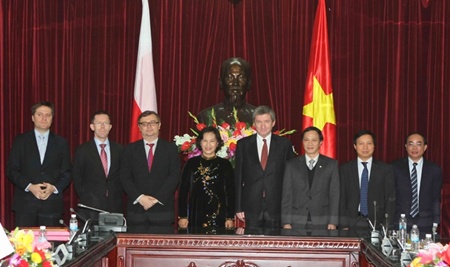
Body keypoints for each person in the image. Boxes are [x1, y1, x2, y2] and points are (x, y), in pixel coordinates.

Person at [6, 101, 72, 227]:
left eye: (48, 115)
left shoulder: (61, 143)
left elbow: (67, 172)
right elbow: (11, 169)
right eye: (40, 114)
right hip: (25, 205)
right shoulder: (20, 141)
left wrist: (53, 188)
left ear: (52, 119)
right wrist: (30, 186)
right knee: (24, 246)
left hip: (51, 205)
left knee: (51, 245)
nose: (44, 118)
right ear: (33, 117)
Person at [234, 105, 295, 232]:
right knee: (251, 247)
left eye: (266, 121)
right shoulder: (243, 145)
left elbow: (290, 178)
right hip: (250, 205)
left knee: (275, 247)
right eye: (259, 122)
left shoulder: (284, 144)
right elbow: (238, 177)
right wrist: (238, 207)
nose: (263, 126)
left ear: (273, 123)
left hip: (276, 205)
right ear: (254, 124)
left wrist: (289, 208)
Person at [120, 110, 180, 233]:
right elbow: (124, 177)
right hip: (136, 213)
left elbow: (174, 177)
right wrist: (140, 198)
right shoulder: (129, 150)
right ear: (139, 128)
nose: (149, 126)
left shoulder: (171, 149)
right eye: (144, 123)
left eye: (152, 122)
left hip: (162, 213)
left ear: (159, 125)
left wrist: (156, 199)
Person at [282, 126, 339, 231]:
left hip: (323, 221)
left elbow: (334, 195)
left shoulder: (331, 165)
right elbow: (287, 195)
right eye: (306, 140)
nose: (310, 143)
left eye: (314, 140)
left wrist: (333, 222)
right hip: (296, 221)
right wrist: (286, 222)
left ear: (320, 142)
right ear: (302, 142)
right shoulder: (291, 165)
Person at [178, 126, 235, 232]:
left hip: (219, 214)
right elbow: (183, 191)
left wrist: (230, 217)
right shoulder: (191, 163)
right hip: (196, 212)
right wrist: (182, 216)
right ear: (200, 142)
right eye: (205, 141)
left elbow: (230, 192)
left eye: (212, 141)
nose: (208, 145)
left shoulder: (225, 164)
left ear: (217, 143)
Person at [339, 130, 395, 234]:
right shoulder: (345, 169)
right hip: (352, 222)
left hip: (377, 223)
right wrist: (343, 224)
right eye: (361, 144)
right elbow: (342, 199)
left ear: (374, 146)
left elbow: (390, 198)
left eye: (369, 143)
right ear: (355, 146)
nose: (365, 147)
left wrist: (386, 225)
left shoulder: (385, 169)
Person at [72, 111, 123, 220]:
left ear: (110, 127)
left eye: (106, 123)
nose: (103, 126)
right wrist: (88, 197)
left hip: (114, 206)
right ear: (92, 126)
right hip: (90, 207)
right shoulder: (82, 150)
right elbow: (77, 177)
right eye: (99, 123)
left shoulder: (120, 150)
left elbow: (123, 175)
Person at [392, 132, 442, 234]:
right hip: (400, 221)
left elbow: (436, 197)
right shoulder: (394, 167)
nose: (414, 148)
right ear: (406, 146)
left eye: (418, 144)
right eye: (411, 144)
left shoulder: (434, 169)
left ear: (425, 147)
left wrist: (436, 221)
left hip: (425, 221)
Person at [197, 57, 255, 126]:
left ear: (249, 83)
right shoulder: (205, 116)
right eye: (230, 77)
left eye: (241, 77)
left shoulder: (259, 116)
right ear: (221, 83)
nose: (235, 83)